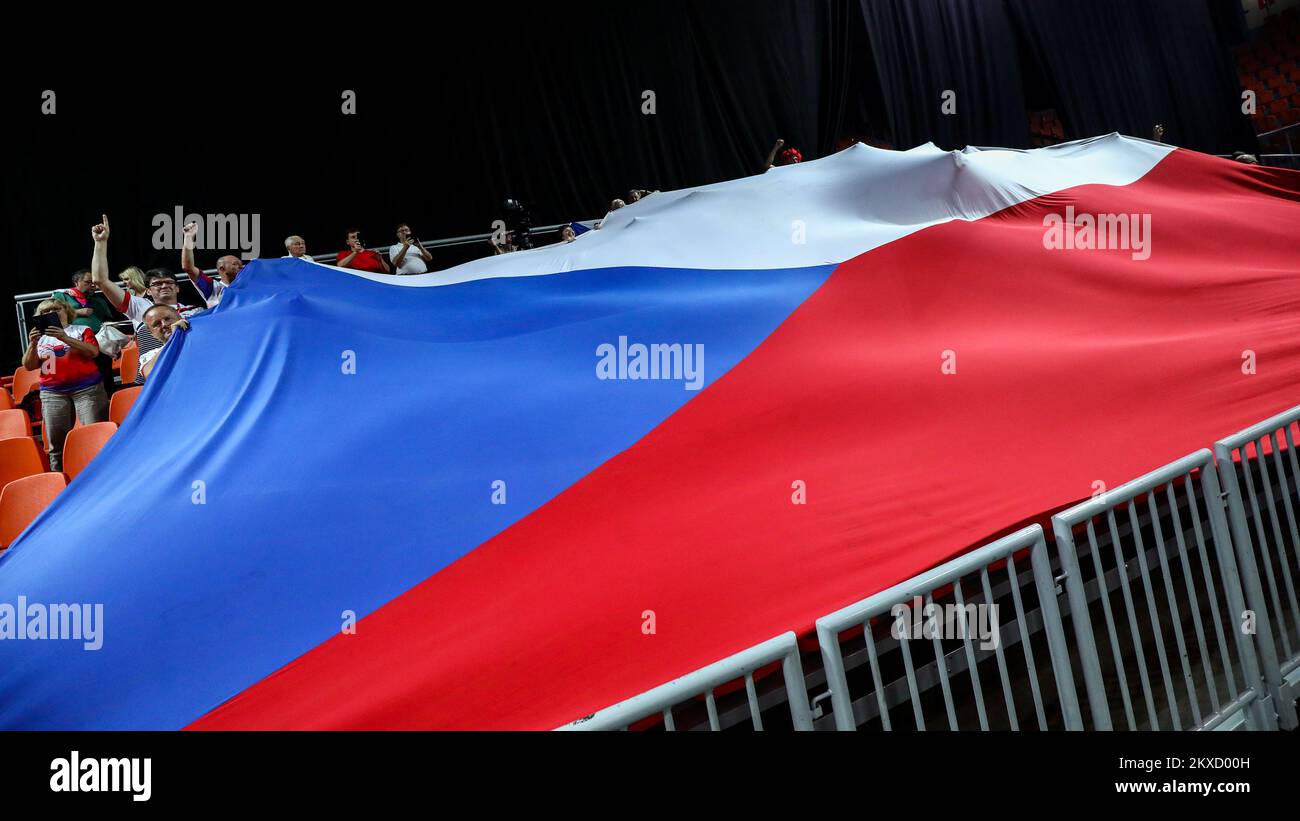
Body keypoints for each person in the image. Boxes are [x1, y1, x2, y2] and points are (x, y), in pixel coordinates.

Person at [89, 215, 203, 384]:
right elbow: (101, 280)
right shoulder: (140, 307)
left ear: (178, 287)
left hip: (194, 371)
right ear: (148, 291)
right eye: (157, 284)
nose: (164, 286)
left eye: (169, 282)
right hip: (156, 377)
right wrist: (100, 243)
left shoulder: (195, 311)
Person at [21, 299, 108, 471]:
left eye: (56, 308)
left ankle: (102, 473)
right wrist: (32, 345)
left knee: (95, 435)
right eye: (45, 311)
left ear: (66, 310)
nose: (51, 313)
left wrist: (64, 338)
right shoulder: (39, 338)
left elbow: (93, 352)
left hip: (87, 389)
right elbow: (29, 366)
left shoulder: (81, 330)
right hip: (53, 392)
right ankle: (59, 480)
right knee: (56, 443)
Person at [53, 269, 117, 393]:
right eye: (88, 282)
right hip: (74, 344)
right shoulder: (62, 296)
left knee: (106, 378)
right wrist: (76, 312)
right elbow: (51, 313)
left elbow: (109, 320)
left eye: (94, 283)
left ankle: (111, 404)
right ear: (76, 282)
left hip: (100, 343)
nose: (93, 285)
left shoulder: (99, 300)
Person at [180, 221, 242, 308]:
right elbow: (188, 267)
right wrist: (188, 237)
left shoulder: (247, 285)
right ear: (222, 269)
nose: (240, 267)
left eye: (241, 264)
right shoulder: (213, 288)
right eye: (235, 264)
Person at [137, 304, 190, 382]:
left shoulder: (201, 340)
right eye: (157, 324)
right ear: (152, 333)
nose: (164, 324)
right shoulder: (150, 356)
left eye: (167, 319)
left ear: (180, 318)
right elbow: (150, 375)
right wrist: (173, 340)